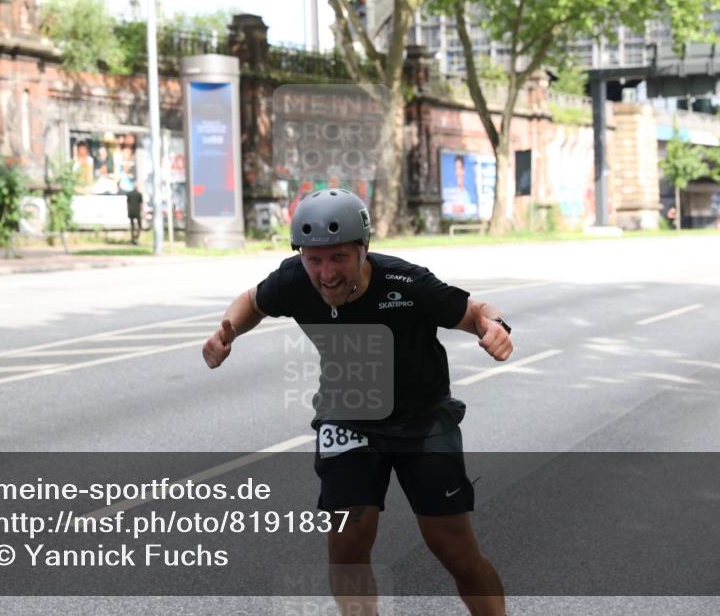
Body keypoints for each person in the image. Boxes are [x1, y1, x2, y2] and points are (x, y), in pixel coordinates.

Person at [202, 189, 512, 615]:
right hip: (347, 415)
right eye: (314, 259)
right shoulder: (294, 280)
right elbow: (252, 301)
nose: (326, 273)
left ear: (363, 251)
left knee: (453, 547)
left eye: (338, 258)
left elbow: (475, 310)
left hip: (422, 421)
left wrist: (493, 326)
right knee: (348, 543)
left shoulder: (407, 283)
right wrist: (228, 331)